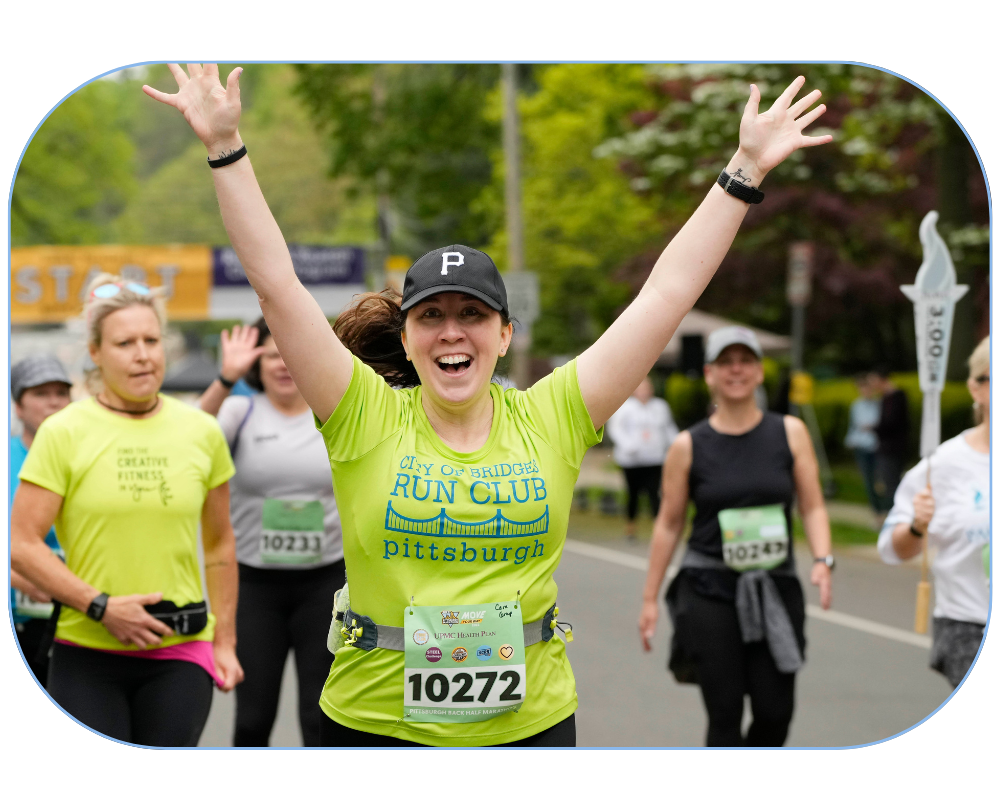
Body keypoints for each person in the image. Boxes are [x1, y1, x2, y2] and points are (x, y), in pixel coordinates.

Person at [146, 63, 830, 746]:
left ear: (505, 335)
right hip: (375, 723)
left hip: (528, 726)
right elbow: (277, 284)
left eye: (473, 314)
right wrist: (224, 147)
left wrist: (743, 169)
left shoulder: (554, 416)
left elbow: (665, 295)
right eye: (431, 316)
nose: (452, 332)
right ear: (408, 339)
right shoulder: (363, 415)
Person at [10, 275, 243, 746]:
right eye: (125, 343)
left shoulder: (201, 431)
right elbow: (21, 544)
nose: (142, 353)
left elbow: (219, 545)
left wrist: (225, 641)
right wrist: (101, 607)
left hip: (181, 649)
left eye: (151, 340)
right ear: (95, 353)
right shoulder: (63, 431)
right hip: (87, 650)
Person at [638, 326, 834, 747]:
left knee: (774, 711)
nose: (736, 370)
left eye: (745, 361)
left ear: (760, 372)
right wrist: (650, 598)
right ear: (709, 373)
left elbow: (813, 505)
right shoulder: (689, 445)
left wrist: (823, 559)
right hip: (709, 590)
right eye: (726, 362)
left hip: (775, 585)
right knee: (724, 713)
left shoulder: (789, 433)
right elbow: (669, 523)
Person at [198, 318, 344, 747]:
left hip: (325, 584)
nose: (283, 364)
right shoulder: (239, 412)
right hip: (254, 586)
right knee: (252, 720)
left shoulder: (334, 412)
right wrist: (225, 379)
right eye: (271, 353)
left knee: (316, 720)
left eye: (291, 353)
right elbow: (184, 436)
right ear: (255, 363)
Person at [877, 336, 989, 688]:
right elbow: (893, 550)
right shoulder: (945, 464)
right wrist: (916, 526)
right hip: (969, 625)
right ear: (976, 388)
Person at [9, 356, 73, 686]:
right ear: (18, 406)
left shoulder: (90, 456)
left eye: (61, 392)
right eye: (40, 393)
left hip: (78, 619)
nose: (53, 402)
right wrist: (21, 576)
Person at [607, 377, 679, 540]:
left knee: (655, 493)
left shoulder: (660, 406)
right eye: (641, 388)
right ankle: (630, 528)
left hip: (655, 458)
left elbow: (668, 428)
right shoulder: (625, 408)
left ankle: (659, 529)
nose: (645, 391)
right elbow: (616, 429)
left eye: (647, 387)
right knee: (633, 494)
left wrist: (676, 445)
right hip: (632, 460)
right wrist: (628, 445)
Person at [872, 367, 910, 514]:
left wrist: (875, 428)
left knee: (892, 481)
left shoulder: (897, 397)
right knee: (888, 482)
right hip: (886, 446)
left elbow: (893, 423)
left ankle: (898, 512)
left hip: (893, 448)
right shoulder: (884, 397)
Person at [844, 372, 881, 514]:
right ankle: (876, 510)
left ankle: (885, 507)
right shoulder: (856, 405)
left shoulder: (878, 404)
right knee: (868, 479)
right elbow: (854, 426)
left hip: (876, 446)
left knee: (880, 480)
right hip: (861, 446)